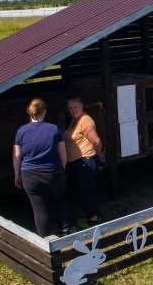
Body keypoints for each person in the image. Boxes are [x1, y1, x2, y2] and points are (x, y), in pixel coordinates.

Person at [13, 98, 71, 237]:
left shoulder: (21, 131)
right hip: (52, 172)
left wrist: (17, 175)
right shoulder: (53, 129)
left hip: (30, 174)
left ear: (29, 112)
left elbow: (17, 155)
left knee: (39, 208)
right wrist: (61, 170)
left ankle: (44, 238)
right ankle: (64, 231)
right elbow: (63, 153)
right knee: (59, 199)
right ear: (44, 112)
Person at [64, 95, 104, 227]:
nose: (73, 110)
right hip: (79, 162)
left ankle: (93, 221)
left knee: (87, 191)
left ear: (82, 106)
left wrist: (98, 152)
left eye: (75, 107)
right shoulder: (75, 119)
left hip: (86, 161)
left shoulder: (85, 120)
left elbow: (96, 141)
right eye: (70, 107)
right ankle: (93, 216)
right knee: (86, 190)